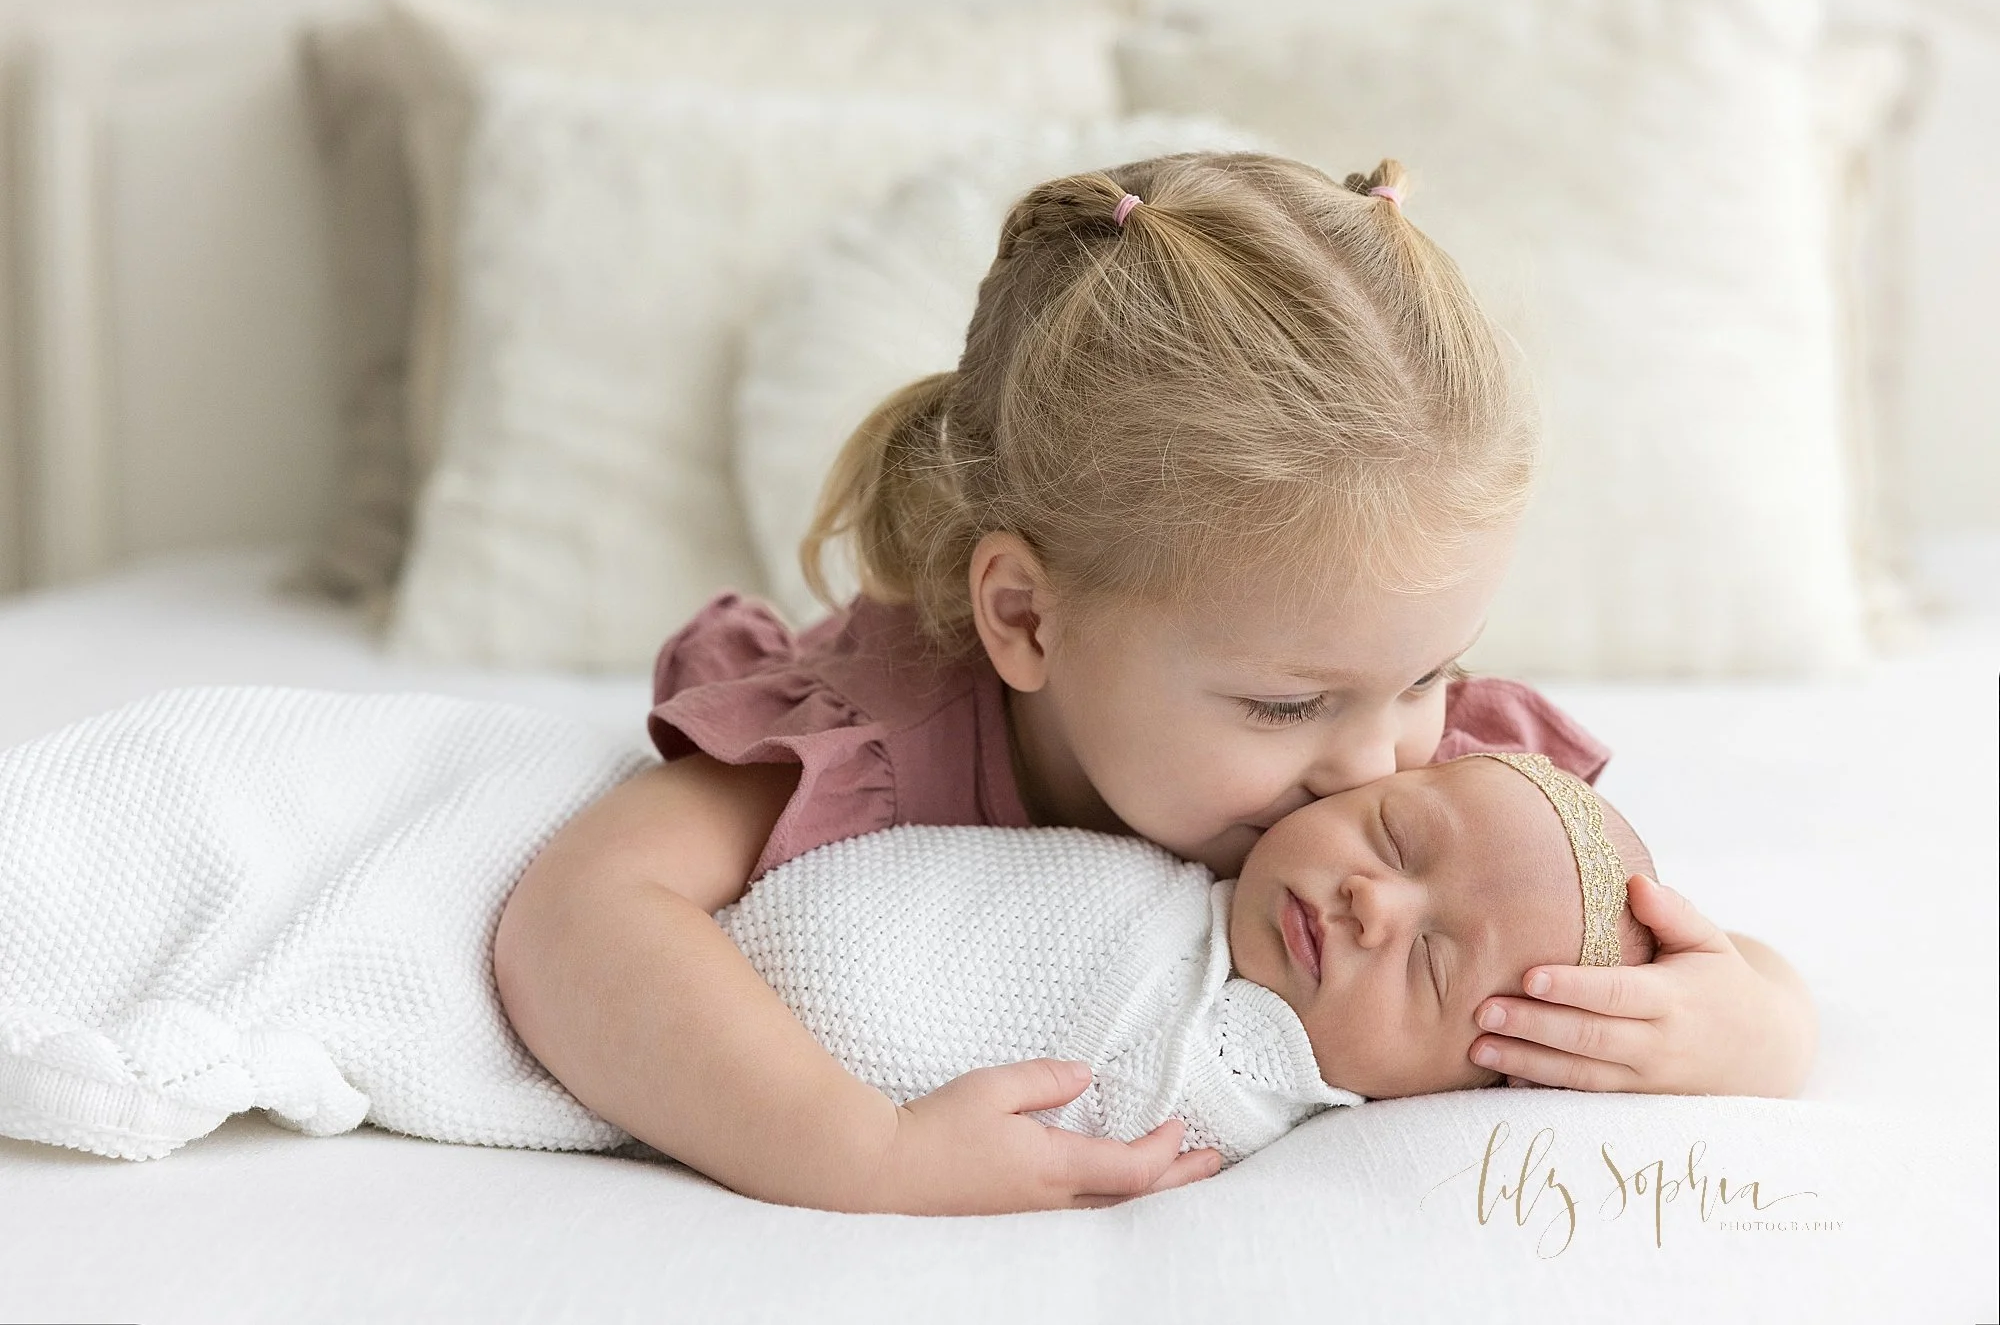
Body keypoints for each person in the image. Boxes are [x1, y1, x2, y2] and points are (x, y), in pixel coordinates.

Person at [493, 152, 1818, 1215]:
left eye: (1432, 672)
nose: (1380, 762)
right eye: (1289, 704)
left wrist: (1749, 1028)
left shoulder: (1427, 782)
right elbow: (581, 912)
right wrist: (859, 1150)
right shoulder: (879, 728)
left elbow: (1676, 946)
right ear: (1024, 617)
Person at [698, 752, 1665, 1201]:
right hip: (733, 954)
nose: (1375, 901)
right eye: (1392, 834)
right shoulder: (1183, 849)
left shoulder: (1253, 1103)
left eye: (1428, 960)